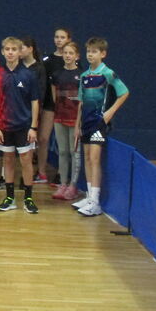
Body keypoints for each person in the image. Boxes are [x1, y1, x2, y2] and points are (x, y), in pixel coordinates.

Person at [72, 37, 130, 217]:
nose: (90, 55)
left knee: (95, 159)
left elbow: (124, 93)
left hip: (99, 122)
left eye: (94, 52)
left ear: (103, 54)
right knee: (87, 159)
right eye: (88, 51)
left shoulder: (108, 73)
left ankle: (96, 202)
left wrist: (110, 112)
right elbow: (81, 102)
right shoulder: (84, 76)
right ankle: (90, 197)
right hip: (86, 122)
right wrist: (77, 125)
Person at [0, 37, 41, 214]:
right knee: (8, 160)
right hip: (4, 127)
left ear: (20, 52)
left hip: (24, 126)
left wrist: (33, 127)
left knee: (26, 160)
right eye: (7, 49)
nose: (10, 52)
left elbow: (35, 102)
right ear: (2, 52)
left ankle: (28, 198)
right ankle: (10, 198)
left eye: (14, 49)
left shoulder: (29, 75)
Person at [38, 27, 75, 185]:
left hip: (67, 108)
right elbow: (42, 84)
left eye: (62, 37)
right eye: (56, 37)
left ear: (68, 39)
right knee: (43, 138)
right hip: (49, 105)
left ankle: (61, 174)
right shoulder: (47, 61)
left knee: (64, 143)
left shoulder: (73, 60)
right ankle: (41, 172)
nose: (59, 40)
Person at [51, 41, 82, 201]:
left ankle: (73, 185)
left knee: (73, 152)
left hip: (75, 119)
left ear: (77, 56)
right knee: (62, 151)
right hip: (59, 117)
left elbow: (83, 100)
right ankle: (63, 184)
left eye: (71, 53)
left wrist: (79, 122)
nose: (68, 56)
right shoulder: (57, 75)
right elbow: (54, 97)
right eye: (65, 53)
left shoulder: (82, 75)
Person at [20, 36, 48, 183]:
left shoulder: (39, 68)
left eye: (22, 48)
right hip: (17, 111)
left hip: (31, 112)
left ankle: (27, 180)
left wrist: (35, 112)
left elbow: (41, 92)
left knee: (29, 146)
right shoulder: (17, 66)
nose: (18, 51)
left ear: (30, 49)